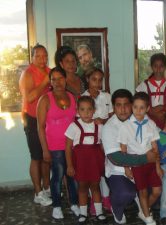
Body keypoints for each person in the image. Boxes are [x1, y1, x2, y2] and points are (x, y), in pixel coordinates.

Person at [101, 89, 158, 224]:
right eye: (118, 105)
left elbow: (156, 136)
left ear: (132, 105)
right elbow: (116, 158)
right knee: (126, 193)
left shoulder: (143, 119)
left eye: (126, 104)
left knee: (158, 190)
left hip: (143, 168)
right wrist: (145, 158)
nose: (122, 109)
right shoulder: (109, 127)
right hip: (119, 171)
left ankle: (142, 208)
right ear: (113, 107)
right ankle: (117, 209)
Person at [37, 67, 79, 219]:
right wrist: (45, 150)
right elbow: (40, 127)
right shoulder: (45, 99)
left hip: (72, 145)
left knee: (72, 176)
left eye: (60, 78)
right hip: (54, 146)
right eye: (53, 79)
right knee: (58, 176)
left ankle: (74, 204)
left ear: (65, 79)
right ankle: (56, 206)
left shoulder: (72, 97)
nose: (57, 82)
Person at [118, 92, 162, 225]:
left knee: (157, 191)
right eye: (135, 107)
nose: (138, 110)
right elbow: (123, 149)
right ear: (132, 107)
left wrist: (158, 166)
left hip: (150, 162)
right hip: (136, 163)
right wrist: (126, 168)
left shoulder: (151, 124)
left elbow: (155, 148)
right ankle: (148, 218)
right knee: (142, 191)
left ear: (147, 109)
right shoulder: (125, 126)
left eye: (142, 107)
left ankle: (143, 210)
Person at [19, 44, 52, 206]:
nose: (42, 59)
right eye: (38, 56)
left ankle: (47, 188)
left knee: (46, 157)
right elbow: (30, 97)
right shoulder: (27, 74)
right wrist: (45, 81)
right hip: (31, 118)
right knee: (36, 157)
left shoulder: (48, 70)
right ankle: (37, 193)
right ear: (32, 57)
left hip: (46, 118)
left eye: (45, 56)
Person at [65, 96, 107, 224]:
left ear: (94, 110)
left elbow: (102, 145)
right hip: (81, 163)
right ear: (77, 111)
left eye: (89, 109)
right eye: (82, 110)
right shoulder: (74, 126)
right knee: (82, 188)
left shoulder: (99, 126)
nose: (86, 113)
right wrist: (70, 165)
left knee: (95, 186)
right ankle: (83, 213)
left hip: (95, 162)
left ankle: (99, 211)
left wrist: (105, 161)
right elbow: (68, 148)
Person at [81, 67, 113, 213]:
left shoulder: (106, 96)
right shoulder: (83, 98)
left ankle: (106, 198)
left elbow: (113, 117)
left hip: (106, 139)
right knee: (92, 173)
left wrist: (103, 120)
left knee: (104, 170)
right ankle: (94, 201)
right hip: (90, 143)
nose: (97, 83)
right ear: (87, 79)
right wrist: (94, 120)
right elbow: (80, 120)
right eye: (94, 79)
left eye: (100, 80)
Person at [136, 53, 166, 129]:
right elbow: (137, 105)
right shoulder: (144, 85)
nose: (158, 69)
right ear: (151, 67)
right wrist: (152, 111)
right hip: (148, 122)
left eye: (161, 66)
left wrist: (163, 108)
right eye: (155, 66)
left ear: (165, 67)